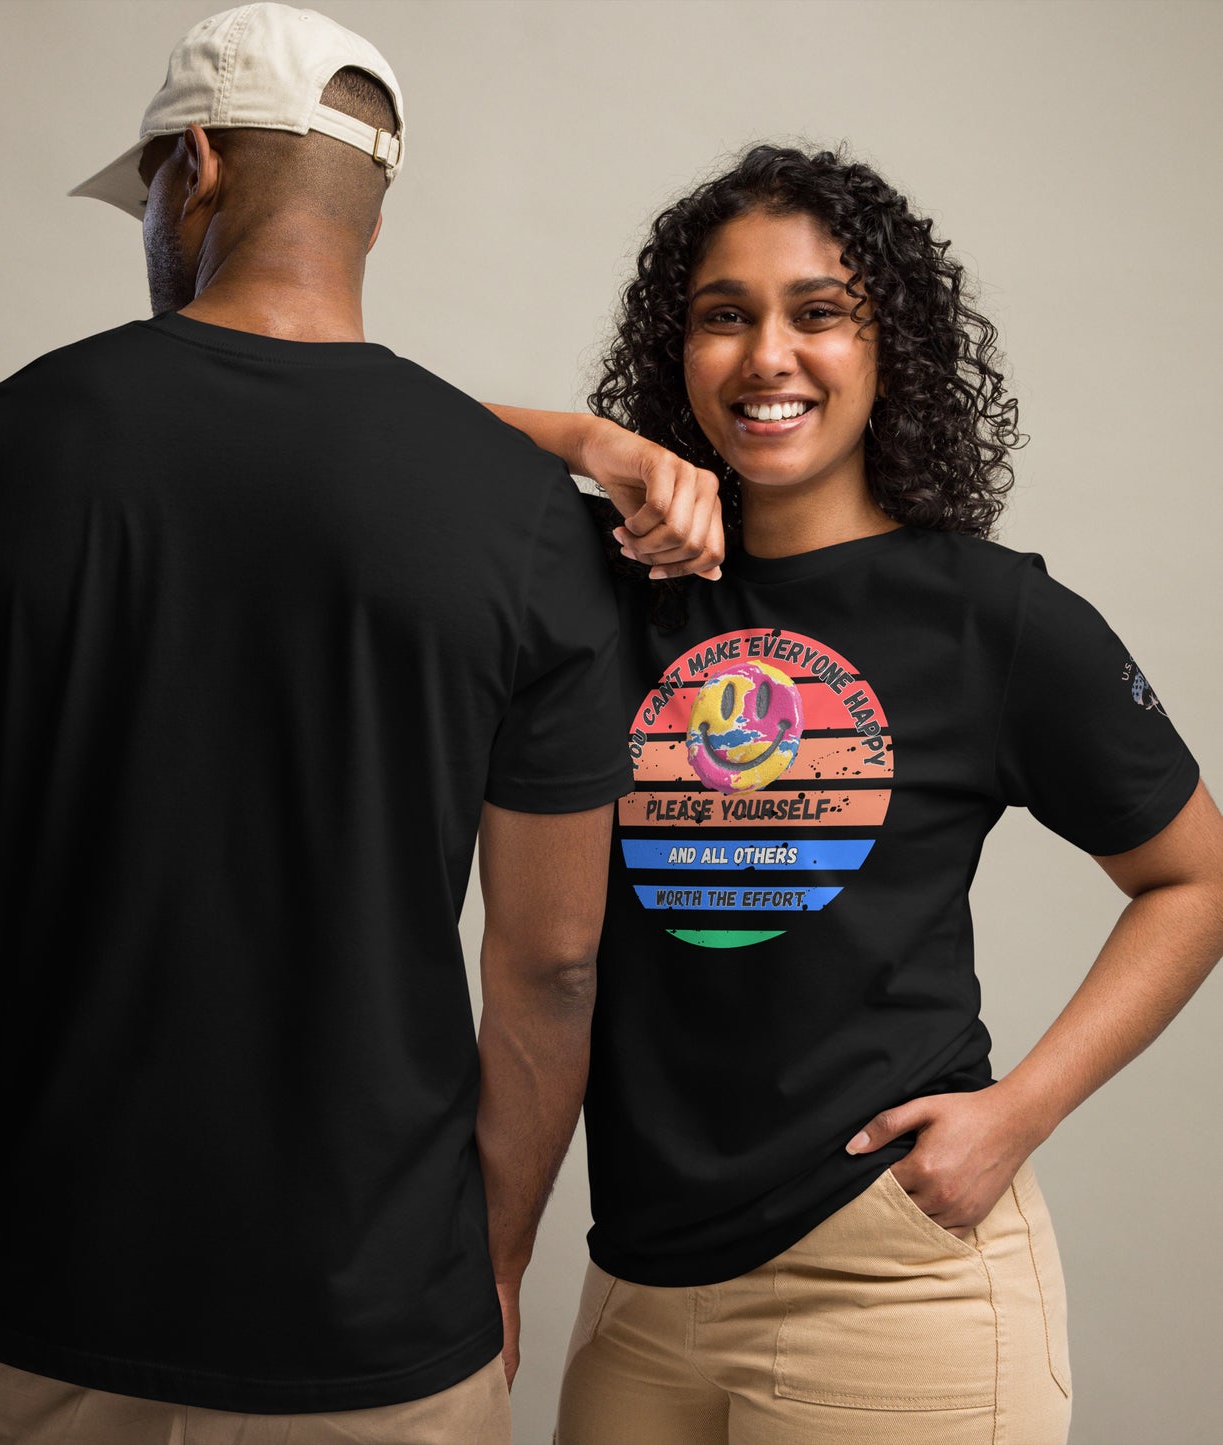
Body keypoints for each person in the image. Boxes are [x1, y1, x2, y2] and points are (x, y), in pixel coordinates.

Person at [0, 6, 633, 1443]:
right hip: (385, 1339)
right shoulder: (522, 522)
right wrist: (492, 1261)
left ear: (190, 169)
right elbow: (551, 963)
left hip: (56, 1305)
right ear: (373, 210)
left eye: (142, 189)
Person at [489, 143, 1223, 1443]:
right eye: (725, 315)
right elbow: (367, 432)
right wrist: (592, 443)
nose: (768, 354)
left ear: (892, 349)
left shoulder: (989, 618)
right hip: (638, 1287)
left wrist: (1021, 1107)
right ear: (678, 349)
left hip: (888, 1283)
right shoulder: (606, 592)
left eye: (817, 311)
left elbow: (1196, 877)